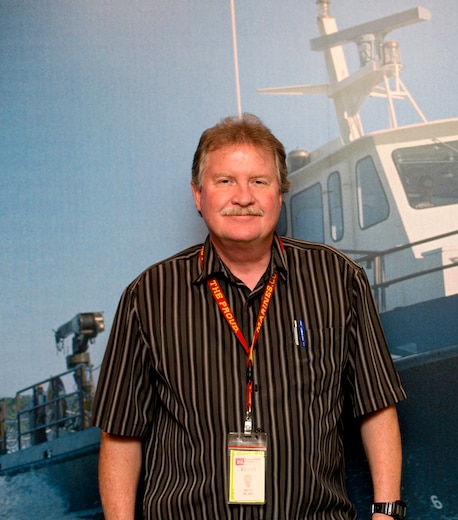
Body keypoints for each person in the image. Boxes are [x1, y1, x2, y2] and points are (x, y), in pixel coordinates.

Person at [92, 114, 407, 519]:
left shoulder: (339, 280)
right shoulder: (148, 295)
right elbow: (120, 434)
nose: (243, 196)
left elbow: (376, 406)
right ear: (197, 194)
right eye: (225, 181)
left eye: (259, 181)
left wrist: (386, 512)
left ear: (280, 192)